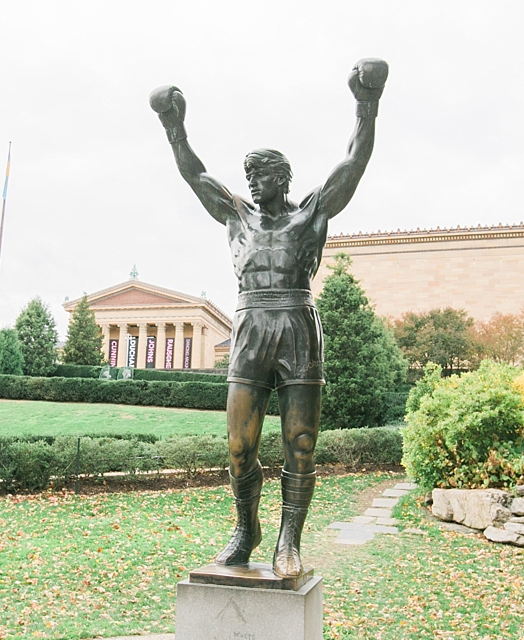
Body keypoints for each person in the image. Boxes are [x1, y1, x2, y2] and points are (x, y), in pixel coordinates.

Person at [149, 58, 388, 578]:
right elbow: (195, 173)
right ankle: (246, 530)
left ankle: (288, 540)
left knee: (300, 442)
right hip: (251, 326)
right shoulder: (236, 215)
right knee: (239, 446)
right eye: (249, 176)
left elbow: (354, 162)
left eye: (262, 175)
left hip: (298, 325)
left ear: (283, 178)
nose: (253, 183)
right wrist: (174, 125)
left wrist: (366, 104)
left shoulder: (312, 213)